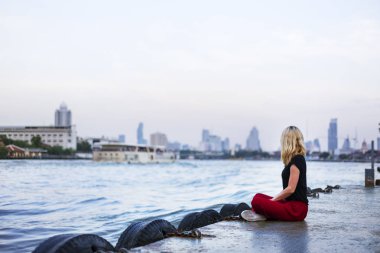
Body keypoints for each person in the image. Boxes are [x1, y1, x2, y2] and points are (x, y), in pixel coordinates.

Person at [241, 126, 308, 222]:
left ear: (287, 141)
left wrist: (272, 201)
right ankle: (263, 214)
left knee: (256, 201)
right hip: (290, 204)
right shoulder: (293, 160)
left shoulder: (297, 159)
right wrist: (272, 201)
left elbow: (290, 189)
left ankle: (263, 214)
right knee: (258, 196)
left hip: (297, 210)